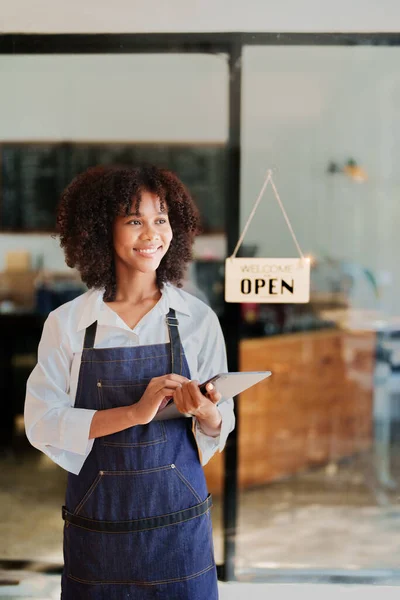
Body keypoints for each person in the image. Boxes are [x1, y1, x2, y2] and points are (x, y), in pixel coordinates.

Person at [24, 165, 235, 600]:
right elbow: (42, 422)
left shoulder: (198, 319)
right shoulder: (68, 324)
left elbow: (219, 426)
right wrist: (134, 413)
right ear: (103, 229)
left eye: (161, 219)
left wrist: (206, 411)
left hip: (179, 532)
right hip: (98, 535)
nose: (152, 233)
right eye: (135, 220)